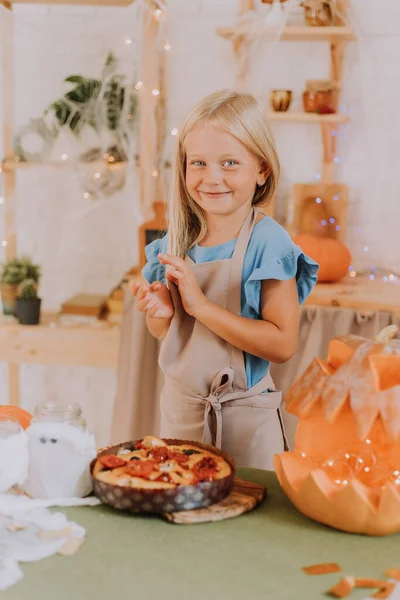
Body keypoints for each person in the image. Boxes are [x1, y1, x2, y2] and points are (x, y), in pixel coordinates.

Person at [132, 89, 318, 469]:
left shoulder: (268, 242)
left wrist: (200, 306)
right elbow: (164, 334)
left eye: (229, 162)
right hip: (183, 417)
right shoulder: (177, 242)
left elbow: (282, 344)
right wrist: (162, 312)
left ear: (261, 169)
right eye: (197, 163)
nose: (211, 178)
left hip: (244, 424)